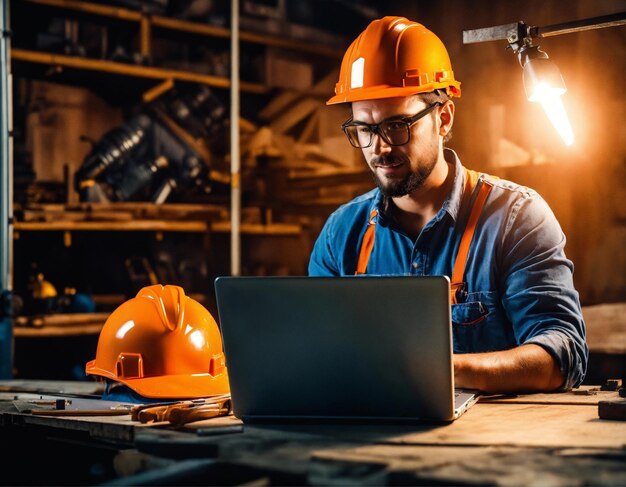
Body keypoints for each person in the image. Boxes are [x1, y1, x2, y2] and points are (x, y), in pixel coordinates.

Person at [308, 16, 588, 394]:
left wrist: (436, 370)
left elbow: (561, 354)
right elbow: (313, 353)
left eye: (397, 125)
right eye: (365, 129)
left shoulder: (517, 219)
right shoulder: (341, 235)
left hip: (491, 447)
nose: (381, 147)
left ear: (443, 117)